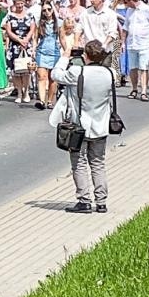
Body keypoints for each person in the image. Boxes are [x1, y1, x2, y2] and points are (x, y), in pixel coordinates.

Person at [51, 40, 117, 214]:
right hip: (101, 125)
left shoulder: (77, 72)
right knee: (98, 163)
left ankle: (84, 200)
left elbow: (56, 75)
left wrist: (65, 55)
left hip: (79, 126)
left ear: (85, 56)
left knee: (79, 163)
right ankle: (101, 202)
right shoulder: (110, 73)